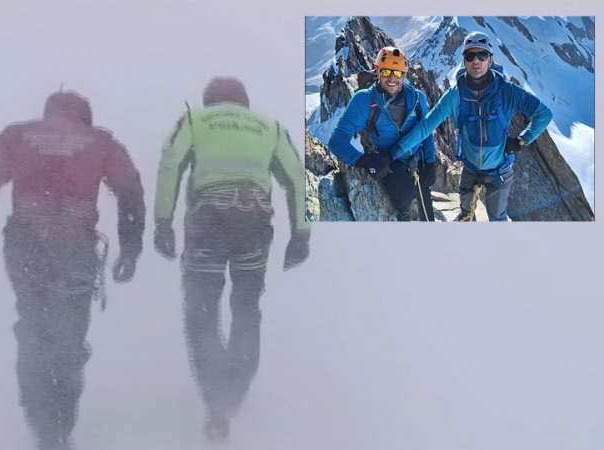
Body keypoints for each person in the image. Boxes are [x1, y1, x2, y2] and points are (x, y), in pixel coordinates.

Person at [0, 90, 145, 450]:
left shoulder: (15, 137)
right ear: (85, 116)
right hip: (75, 248)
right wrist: (131, 248)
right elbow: (130, 191)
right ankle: (61, 425)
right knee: (69, 337)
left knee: (32, 329)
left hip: (26, 245)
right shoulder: (100, 142)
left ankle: (39, 421)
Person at [153, 76, 310, 442]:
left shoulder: (195, 120)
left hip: (207, 223)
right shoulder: (269, 127)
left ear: (210, 100)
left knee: (202, 311)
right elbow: (297, 180)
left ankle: (215, 404)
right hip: (253, 223)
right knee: (245, 307)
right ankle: (235, 389)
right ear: (245, 102)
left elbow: (170, 163)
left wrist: (163, 223)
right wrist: (301, 235)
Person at [392, 31, 553, 221]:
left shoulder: (507, 91)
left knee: (497, 220)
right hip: (469, 168)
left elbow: (544, 114)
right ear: (464, 60)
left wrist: (521, 141)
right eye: (470, 56)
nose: (476, 60)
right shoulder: (455, 95)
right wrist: (394, 152)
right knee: (466, 217)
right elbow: (426, 126)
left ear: (490, 59)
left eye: (482, 55)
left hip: (499, 170)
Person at [327, 46, 436, 221]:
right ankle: (404, 215)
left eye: (398, 73)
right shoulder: (364, 100)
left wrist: (430, 162)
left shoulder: (417, 98)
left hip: (418, 160)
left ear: (405, 74)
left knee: (427, 217)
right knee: (404, 194)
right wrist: (364, 161)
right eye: (386, 72)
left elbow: (427, 131)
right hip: (387, 161)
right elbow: (336, 141)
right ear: (377, 71)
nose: (392, 78)